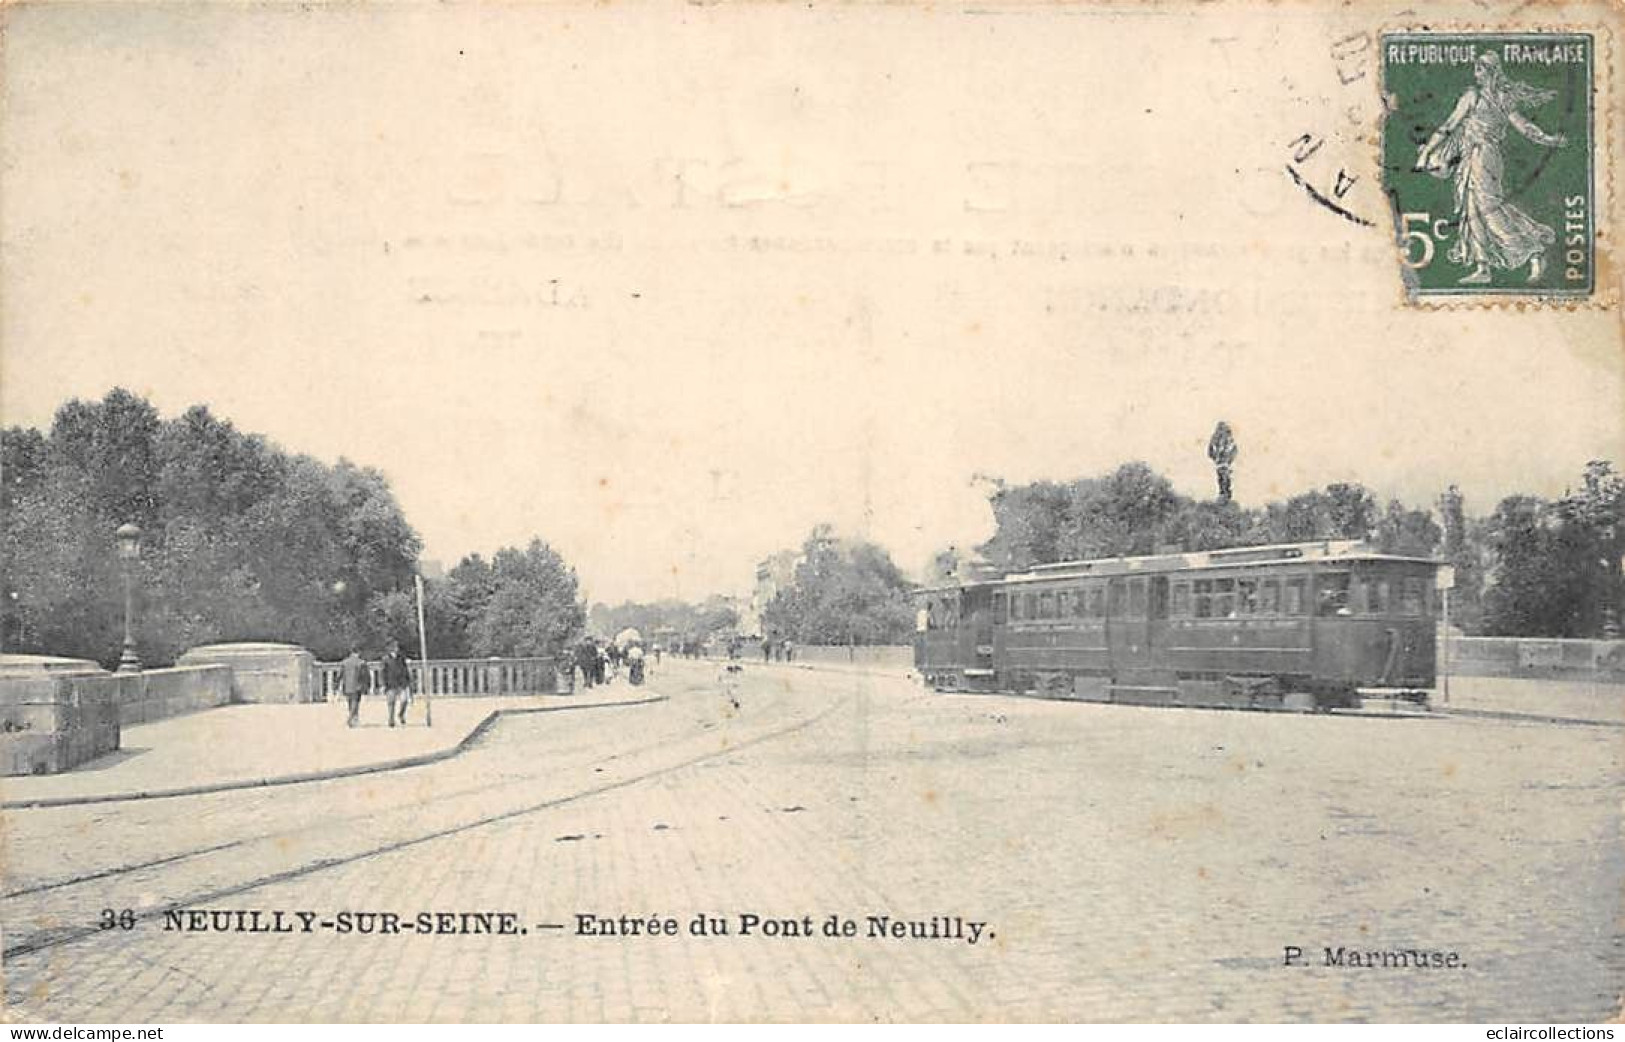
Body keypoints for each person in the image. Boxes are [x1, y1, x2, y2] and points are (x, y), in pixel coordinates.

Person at [1416, 51, 1567, 285]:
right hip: (1476, 156)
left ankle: (1532, 250)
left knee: (1487, 209)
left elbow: (1449, 126)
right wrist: (1547, 139)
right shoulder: (1499, 97)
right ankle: (1482, 266)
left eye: (1480, 69)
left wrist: (1547, 139)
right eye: (1476, 69)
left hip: (1482, 156)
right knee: (1472, 208)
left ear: (1491, 72)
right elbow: (1523, 127)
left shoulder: (1479, 96)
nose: (1476, 74)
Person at [382, 640, 412, 727]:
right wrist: (383, 684)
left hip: (402, 683)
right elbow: (383, 672)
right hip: (390, 683)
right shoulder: (386, 659)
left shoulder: (401, 658)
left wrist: (408, 680)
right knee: (391, 702)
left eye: (397, 647)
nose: (396, 649)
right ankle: (391, 719)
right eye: (395, 647)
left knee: (404, 700)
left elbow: (405, 670)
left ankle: (401, 714)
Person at [340, 645, 367, 727]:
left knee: (350, 702)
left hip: (347, 685)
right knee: (355, 702)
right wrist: (366, 685)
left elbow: (340, 674)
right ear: (358, 652)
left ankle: (354, 718)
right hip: (357, 685)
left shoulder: (344, 662)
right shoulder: (361, 662)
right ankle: (351, 718)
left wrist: (337, 684)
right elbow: (364, 675)